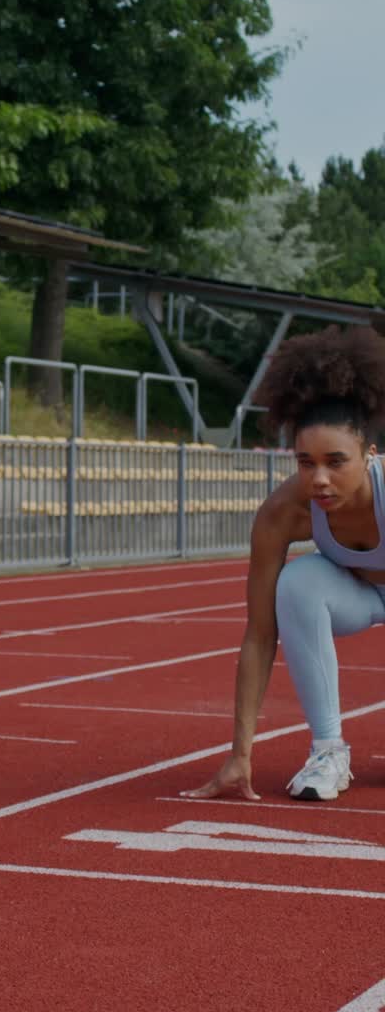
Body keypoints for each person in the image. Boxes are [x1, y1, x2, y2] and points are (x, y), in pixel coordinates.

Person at [184, 324, 385, 803]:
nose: (319, 478)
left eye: (336, 462)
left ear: (370, 455)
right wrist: (240, 753)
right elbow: (258, 635)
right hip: (359, 595)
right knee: (298, 582)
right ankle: (328, 751)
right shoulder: (282, 513)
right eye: (305, 462)